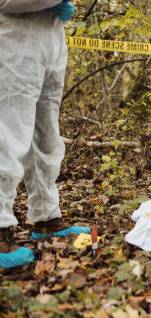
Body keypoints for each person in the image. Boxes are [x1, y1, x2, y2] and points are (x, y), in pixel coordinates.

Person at [0, 0, 89, 270]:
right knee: (9, 133)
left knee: (47, 135)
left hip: (51, 40)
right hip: (14, 39)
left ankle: (46, 217)